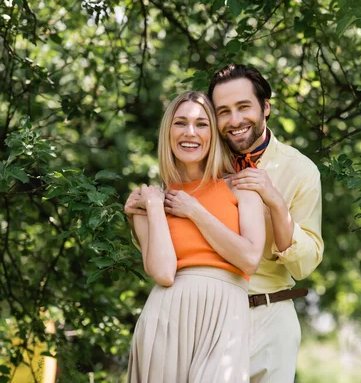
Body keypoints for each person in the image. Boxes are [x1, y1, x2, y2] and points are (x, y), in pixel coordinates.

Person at [124, 91, 265, 383]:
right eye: (180, 123)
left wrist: (195, 211)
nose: (190, 133)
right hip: (166, 317)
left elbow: (250, 259)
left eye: (201, 124)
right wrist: (152, 207)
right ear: (168, 132)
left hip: (227, 313)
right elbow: (163, 272)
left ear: (213, 133)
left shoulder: (241, 186)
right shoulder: (151, 202)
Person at [207, 64, 324, 382]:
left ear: (266, 107)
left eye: (243, 107)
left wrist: (274, 200)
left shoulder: (301, 171)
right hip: (208, 317)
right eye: (223, 111)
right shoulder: (200, 165)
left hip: (272, 319)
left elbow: (304, 265)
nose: (234, 121)